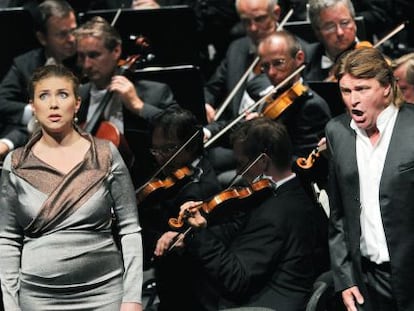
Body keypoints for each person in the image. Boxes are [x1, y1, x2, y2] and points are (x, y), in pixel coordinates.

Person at [0, 64, 143, 310]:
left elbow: (130, 229)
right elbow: (8, 239)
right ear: (33, 106)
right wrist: (11, 305)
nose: (53, 104)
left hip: (105, 293)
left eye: (62, 95)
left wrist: (132, 298)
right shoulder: (15, 163)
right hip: (39, 299)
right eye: (44, 96)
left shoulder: (105, 154)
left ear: (77, 104)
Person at [175, 118, 319, 310]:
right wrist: (188, 236)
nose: (238, 171)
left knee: (185, 279)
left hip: (267, 304)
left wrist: (200, 236)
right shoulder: (298, 187)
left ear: (263, 161)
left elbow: (236, 278)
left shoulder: (274, 212)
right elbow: (239, 228)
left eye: (242, 164)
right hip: (289, 289)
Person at [326, 47, 413, 311]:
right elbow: (338, 214)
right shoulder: (337, 132)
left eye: (362, 89)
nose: (353, 100)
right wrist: (344, 277)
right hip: (367, 281)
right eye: (346, 91)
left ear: (386, 87)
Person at [74, 16, 177, 185]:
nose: (86, 65)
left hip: (143, 186)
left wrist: (139, 106)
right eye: (81, 56)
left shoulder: (154, 92)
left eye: (94, 55)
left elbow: (183, 132)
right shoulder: (78, 95)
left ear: (116, 51)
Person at [138, 108, 221, 310]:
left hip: (189, 292)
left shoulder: (200, 187)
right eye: (155, 150)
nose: (160, 158)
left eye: (168, 149)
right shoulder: (169, 172)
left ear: (191, 145)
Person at [0, 0, 78, 160]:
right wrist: (34, 112)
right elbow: (2, 100)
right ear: (42, 38)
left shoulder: (88, 60)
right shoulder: (24, 64)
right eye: (62, 34)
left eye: (74, 31)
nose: (72, 39)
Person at [256, 30, 331, 157]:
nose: (271, 72)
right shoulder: (271, 97)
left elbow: (304, 161)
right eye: (265, 66)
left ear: (299, 58)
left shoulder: (310, 106)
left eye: (278, 63)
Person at [304, 0, 358, 82]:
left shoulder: (376, 57)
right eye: (330, 27)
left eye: (344, 23)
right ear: (317, 31)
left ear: (354, 23)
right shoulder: (306, 60)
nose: (340, 33)